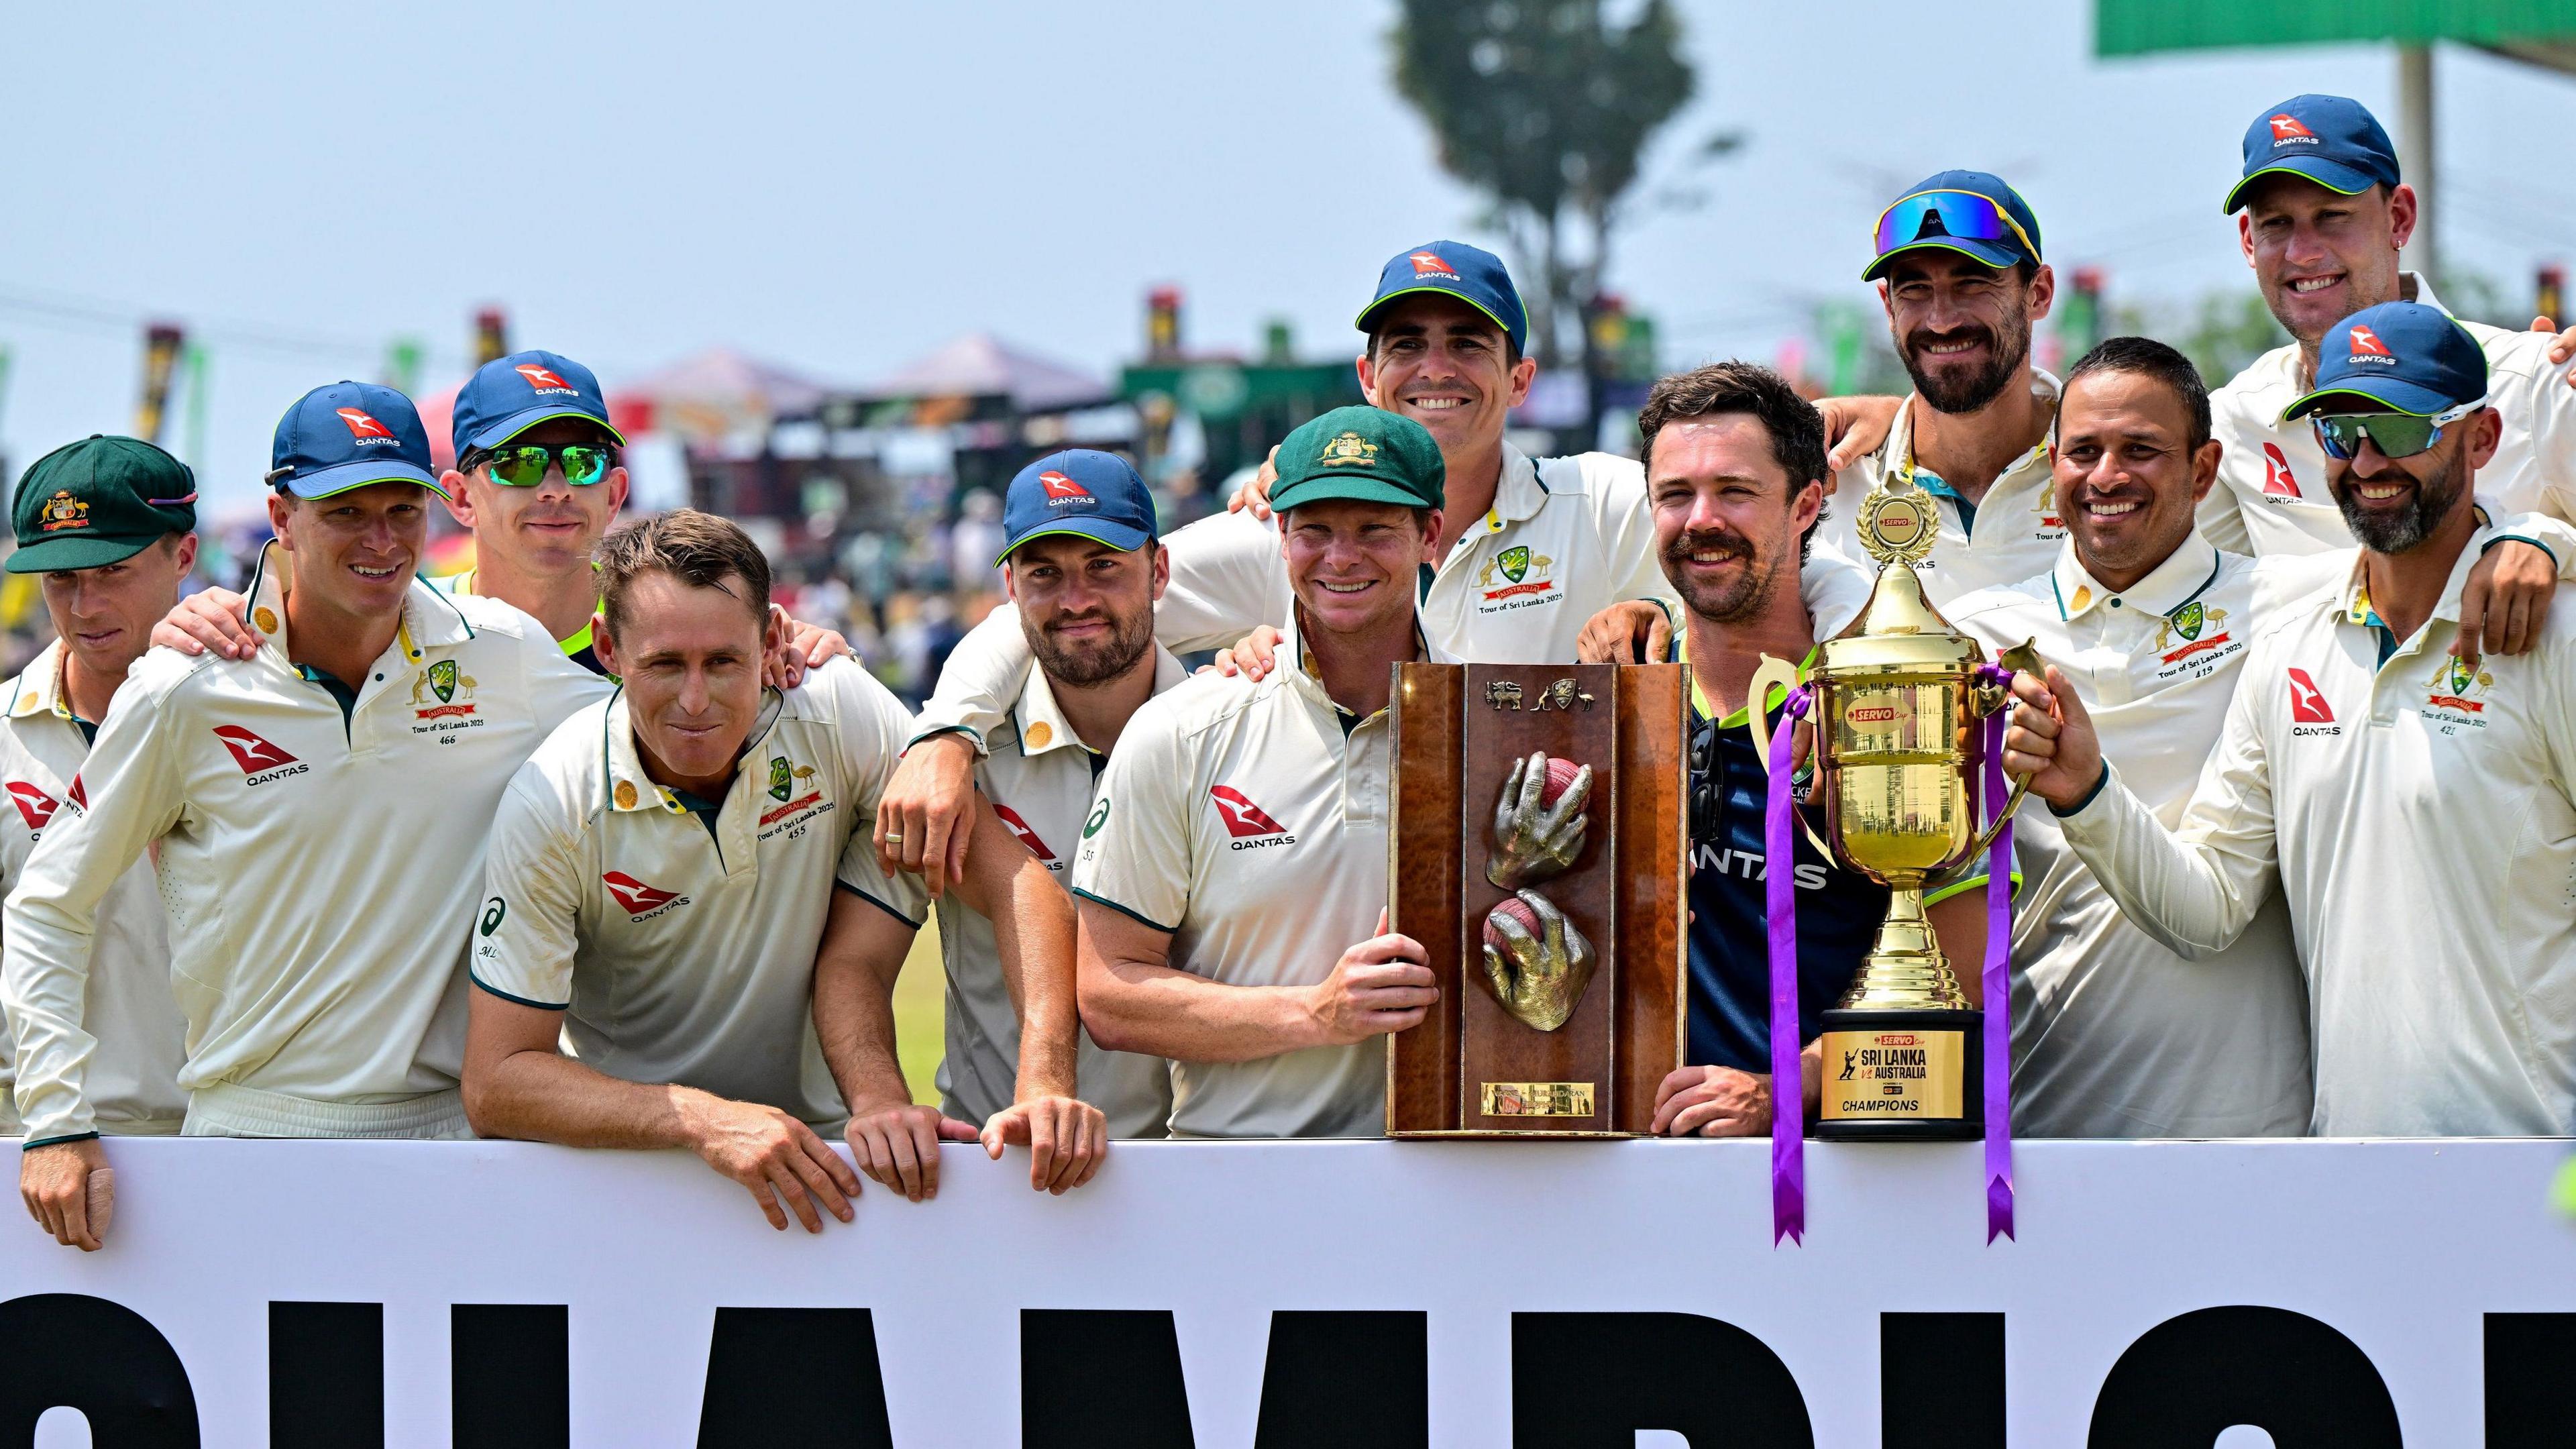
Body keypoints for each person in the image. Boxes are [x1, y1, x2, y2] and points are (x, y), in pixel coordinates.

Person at [878, 239, 1747, 896]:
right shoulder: (1290, 537)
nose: (1435, 369)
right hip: (1340, 926)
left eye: (1467, 345)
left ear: (1519, 379)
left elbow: (1763, 529)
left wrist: (1654, 607)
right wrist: (944, 739)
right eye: (1406, 345)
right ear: (1369, 376)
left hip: (1543, 914)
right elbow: (1062, 606)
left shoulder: (1599, 503)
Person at [7, 382, 609, 1250]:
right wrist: (56, 1120)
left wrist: (812, 665)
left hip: (461, 1148)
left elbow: (658, 723)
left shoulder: (500, 653)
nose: (382, 541)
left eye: (403, 510)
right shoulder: (188, 686)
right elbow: (49, 904)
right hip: (250, 1142)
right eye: (345, 512)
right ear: (281, 517)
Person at [2004, 303, 2576, 1136]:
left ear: (2483, 439)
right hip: (2342, 1167)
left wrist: (2545, 534)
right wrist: (2087, 791)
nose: (2368, 460)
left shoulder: (2551, 634)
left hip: (2541, 1168)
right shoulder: (2290, 647)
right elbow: (2205, 914)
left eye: (2402, 425)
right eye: (2341, 432)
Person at [462, 509, 1099, 1232]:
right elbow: (498, 1081)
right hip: (636, 1181)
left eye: (724, 662)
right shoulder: (554, 802)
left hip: (830, 1167)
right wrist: (704, 1122)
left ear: (772, 641)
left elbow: (1018, 885)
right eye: (665, 664)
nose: (696, 701)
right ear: (609, 648)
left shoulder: (836, 711)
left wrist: (1044, 1081)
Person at [1945, 339, 2311, 1138]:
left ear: (2204, 470)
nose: (2107, 476)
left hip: (2250, 1131)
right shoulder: (1976, 636)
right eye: (2084, 451)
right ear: (2052, 466)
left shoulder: (2296, 604)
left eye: (2141, 450)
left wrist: (2533, 539)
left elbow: (2445, 553)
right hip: (2041, 1132)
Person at [1622, 363, 1990, 1138]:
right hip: (1650, 1174)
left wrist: (1783, 1091)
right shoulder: (1623, 703)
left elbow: (1961, 980)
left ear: (1807, 505)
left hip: (1864, 1178)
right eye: (1676, 495)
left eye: (1737, 491)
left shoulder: (1901, 707)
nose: (1702, 520)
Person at [1069, 406, 1447, 1138]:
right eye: (1314, 530)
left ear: (1430, 535)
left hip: (1453, 1184)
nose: (1341, 557)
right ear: (1279, 537)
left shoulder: (1495, 720)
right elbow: (1108, 992)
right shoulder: (1181, 731)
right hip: (1235, 1181)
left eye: (1374, 528)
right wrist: (1317, 1013)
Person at [151, 349, 849, 683]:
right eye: (516, 464)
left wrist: (810, 656)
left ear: (616, 491)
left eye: (579, 462)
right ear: (458, 497)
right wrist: (205, 616)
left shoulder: (676, 643)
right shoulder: (395, 631)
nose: (552, 488)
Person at [2204, 95, 2576, 569]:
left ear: (2398, 217)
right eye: (2277, 224)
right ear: (2249, 242)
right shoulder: (2237, 420)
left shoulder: (2537, 383)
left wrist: (2547, 544)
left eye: (2332, 216)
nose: (2303, 252)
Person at [924, 450, 1179, 1142]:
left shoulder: (1234, 730)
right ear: (1010, 587)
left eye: (1104, 566)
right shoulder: (951, 762)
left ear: (1158, 572)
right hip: (1001, 1162)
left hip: (1191, 1169)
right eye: (1046, 574)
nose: (1076, 600)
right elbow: (855, 957)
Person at [0, 437, 199, 1140]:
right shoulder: (4, 742)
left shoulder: (266, 718)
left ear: (184, 556)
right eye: (60, 580)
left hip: (235, 1138)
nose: (85, 606)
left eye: (113, 571)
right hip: (39, 1145)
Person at [1812, 171, 2069, 608]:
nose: (1942, 319)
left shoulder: (2113, 472)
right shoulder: (1830, 484)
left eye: (1972, 282)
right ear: (1888, 306)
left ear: (2039, 293)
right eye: (1914, 288)